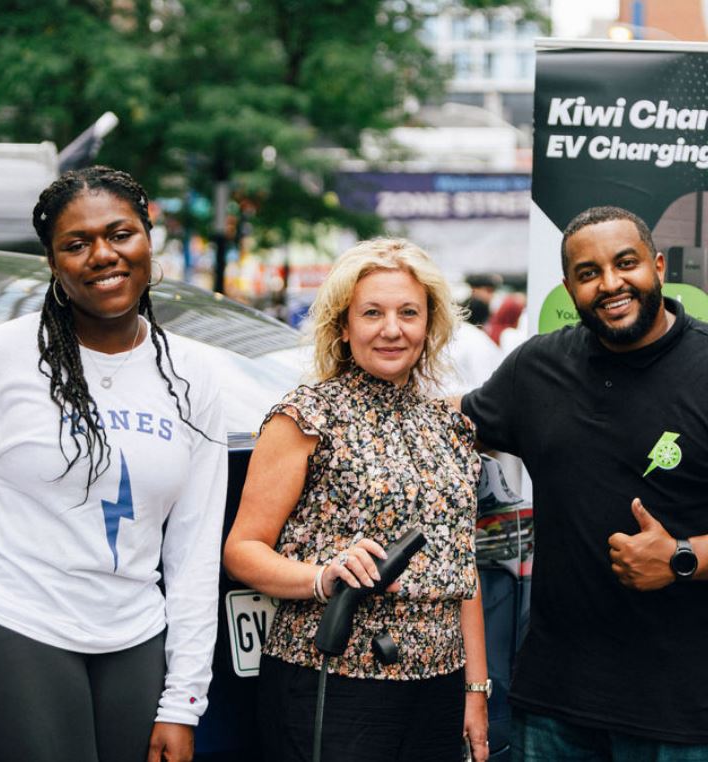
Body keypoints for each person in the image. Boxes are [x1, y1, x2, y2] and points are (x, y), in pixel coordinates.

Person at [0, 166, 227, 762]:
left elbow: (194, 550)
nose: (103, 255)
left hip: (134, 633)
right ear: (53, 263)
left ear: (150, 236)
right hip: (14, 620)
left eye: (120, 234)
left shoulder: (193, 375)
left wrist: (184, 700)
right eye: (76, 245)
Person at [224, 238, 490, 762]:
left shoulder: (450, 424)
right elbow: (242, 549)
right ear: (344, 327)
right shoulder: (304, 418)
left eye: (408, 312)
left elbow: (464, 568)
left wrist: (475, 689)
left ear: (429, 324)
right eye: (372, 313)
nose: (392, 329)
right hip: (332, 679)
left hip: (438, 688)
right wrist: (320, 577)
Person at [461, 206, 708, 760]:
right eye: (589, 272)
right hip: (555, 705)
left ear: (659, 266)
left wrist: (681, 557)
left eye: (626, 264)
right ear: (570, 288)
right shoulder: (538, 369)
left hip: (684, 715)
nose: (611, 283)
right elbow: (448, 425)